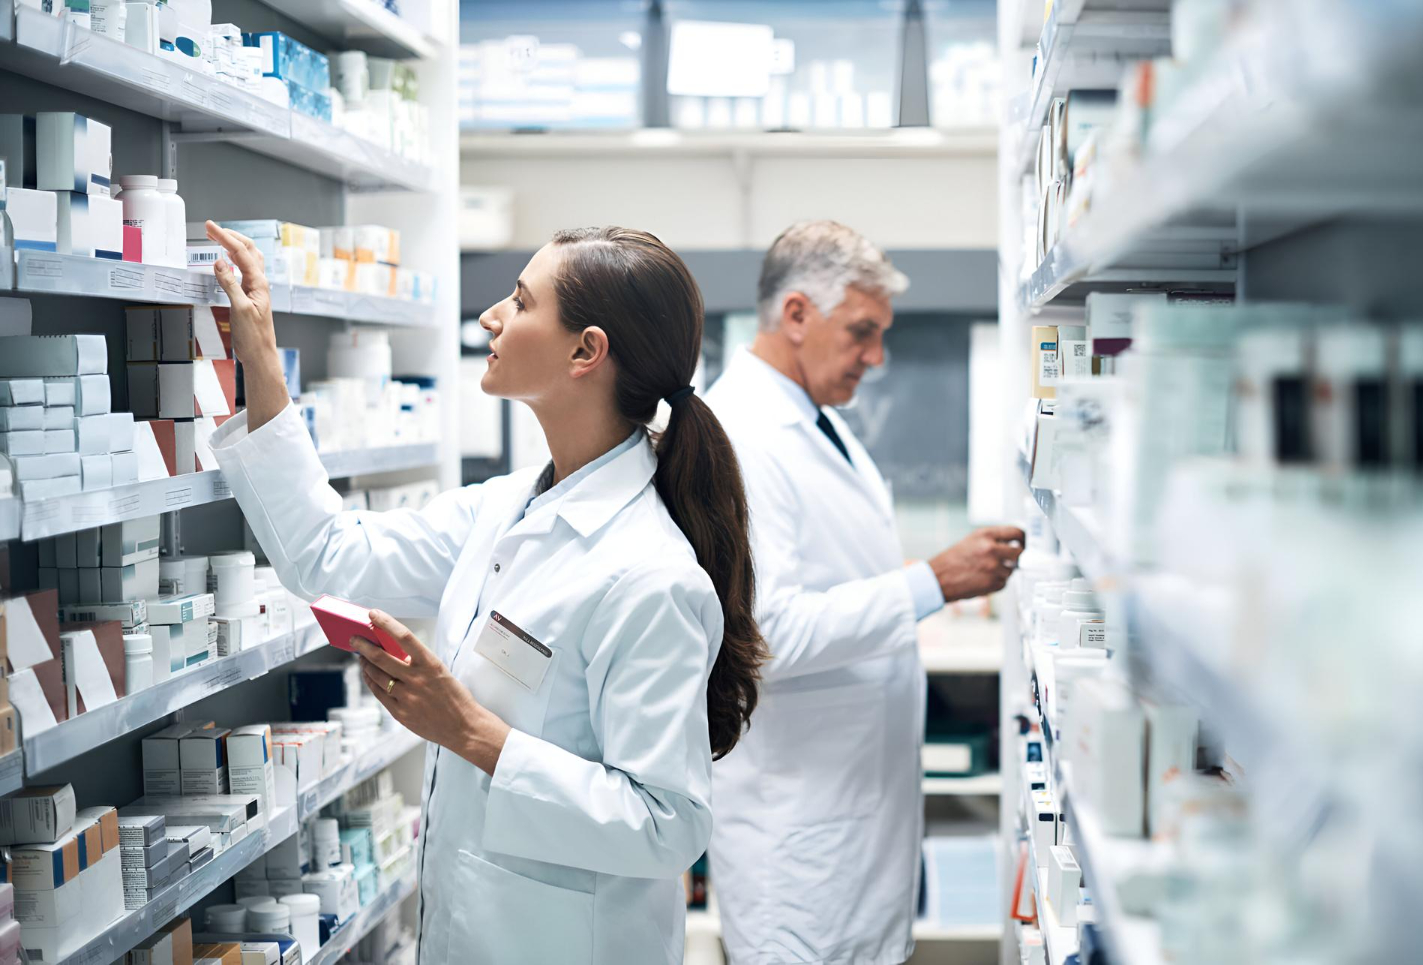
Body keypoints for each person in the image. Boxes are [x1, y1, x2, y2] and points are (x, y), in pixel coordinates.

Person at [204, 221, 767, 965]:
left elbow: (668, 824)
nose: (490, 318)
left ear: (585, 351)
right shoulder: (504, 510)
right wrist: (263, 361)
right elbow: (328, 555)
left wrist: (472, 732)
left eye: (521, 301)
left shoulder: (649, 574)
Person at [704, 220, 1024, 965]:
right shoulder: (743, 434)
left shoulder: (816, 421)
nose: (876, 357)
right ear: (795, 315)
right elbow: (767, 634)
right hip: (800, 836)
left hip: (849, 817)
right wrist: (933, 581)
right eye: (861, 332)